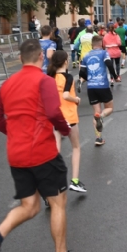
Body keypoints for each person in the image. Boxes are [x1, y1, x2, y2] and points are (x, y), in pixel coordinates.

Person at [0, 39, 83, 252]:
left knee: (30, 206)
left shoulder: (8, 84)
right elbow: (52, 111)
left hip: (17, 155)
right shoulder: (43, 81)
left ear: (20, 59)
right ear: (41, 58)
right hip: (43, 152)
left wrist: (13, 132)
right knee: (58, 202)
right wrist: (65, 130)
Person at [47, 50, 85, 193]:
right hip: (69, 116)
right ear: (65, 62)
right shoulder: (68, 77)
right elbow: (66, 95)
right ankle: (75, 180)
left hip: (56, 116)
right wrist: (77, 100)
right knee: (76, 147)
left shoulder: (50, 77)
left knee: (55, 152)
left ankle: (51, 184)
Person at [79, 35, 119, 146]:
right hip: (102, 85)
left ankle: (98, 138)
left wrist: (89, 79)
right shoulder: (103, 53)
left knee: (96, 112)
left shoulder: (86, 55)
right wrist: (115, 76)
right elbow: (109, 64)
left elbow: (81, 72)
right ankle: (101, 117)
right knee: (109, 108)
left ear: (92, 44)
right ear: (101, 44)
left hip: (91, 87)